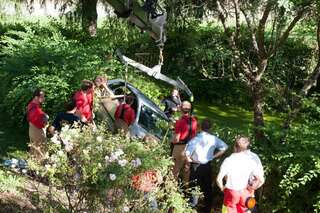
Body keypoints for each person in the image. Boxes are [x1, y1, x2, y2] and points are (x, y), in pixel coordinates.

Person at [185, 119, 228, 212]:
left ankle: (192, 207)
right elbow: (224, 147)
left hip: (196, 165)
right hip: (207, 166)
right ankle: (207, 208)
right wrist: (213, 156)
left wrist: (188, 163)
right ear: (210, 128)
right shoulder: (214, 139)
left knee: (194, 186)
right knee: (207, 187)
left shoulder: (196, 139)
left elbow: (187, 153)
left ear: (200, 127)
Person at [216, 136, 265, 213]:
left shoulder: (228, 160)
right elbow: (261, 180)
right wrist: (252, 188)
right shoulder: (251, 159)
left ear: (235, 147)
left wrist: (222, 188)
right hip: (246, 193)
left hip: (231, 193)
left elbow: (219, 179)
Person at [172, 101, 197, 184]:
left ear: (181, 109)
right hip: (190, 148)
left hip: (180, 147)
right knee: (186, 169)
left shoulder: (180, 122)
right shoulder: (194, 121)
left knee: (175, 170)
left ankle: (170, 190)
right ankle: (185, 189)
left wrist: (174, 128)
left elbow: (176, 139)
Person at [27, 89, 49, 161]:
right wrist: (45, 122)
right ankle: (38, 168)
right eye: (42, 97)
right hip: (37, 131)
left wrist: (44, 115)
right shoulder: (34, 107)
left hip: (34, 130)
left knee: (34, 149)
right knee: (39, 150)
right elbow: (36, 121)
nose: (44, 98)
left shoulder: (34, 105)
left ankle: (33, 167)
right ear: (36, 97)